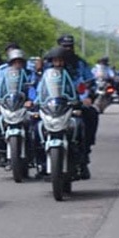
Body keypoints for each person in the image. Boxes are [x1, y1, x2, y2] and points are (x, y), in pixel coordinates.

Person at [35, 46, 90, 178]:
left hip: (69, 107)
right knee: (35, 128)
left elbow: (80, 88)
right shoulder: (46, 75)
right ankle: (40, 162)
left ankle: (82, 162)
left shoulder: (72, 74)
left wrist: (82, 99)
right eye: (55, 61)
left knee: (81, 126)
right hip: (52, 108)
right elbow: (39, 90)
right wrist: (34, 101)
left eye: (61, 61)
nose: (58, 63)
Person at [56, 34, 98, 176]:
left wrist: (88, 96)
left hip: (75, 102)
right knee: (33, 122)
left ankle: (84, 155)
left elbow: (90, 81)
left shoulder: (80, 63)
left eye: (70, 46)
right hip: (54, 104)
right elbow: (39, 84)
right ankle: (39, 159)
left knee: (91, 114)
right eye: (64, 47)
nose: (67, 49)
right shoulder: (49, 64)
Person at [0, 48, 34, 169]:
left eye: (20, 62)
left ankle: (31, 155)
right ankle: (2, 154)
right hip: (9, 106)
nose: (17, 64)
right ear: (10, 63)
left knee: (32, 126)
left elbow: (32, 89)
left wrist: (31, 100)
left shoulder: (28, 74)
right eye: (15, 62)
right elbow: (0, 89)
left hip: (23, 107)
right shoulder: (5, 74)